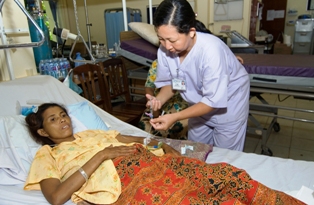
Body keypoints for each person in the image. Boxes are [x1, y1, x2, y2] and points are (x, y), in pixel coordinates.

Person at [23, 103, 305, 205]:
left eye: (63, 114)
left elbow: (137, 139)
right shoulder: (47, 155)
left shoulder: (92, 134)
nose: (63, 120)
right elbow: (57, 197)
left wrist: (160, 145)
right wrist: (102, 156)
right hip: (126, 182)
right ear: (44, 132)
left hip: (155, 163)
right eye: (53, 119)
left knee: (230, 176)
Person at [147, 0, 250, 151]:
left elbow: (211, 102)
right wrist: (158, 100)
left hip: (230, 103)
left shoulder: (211, 51)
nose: (167, 46)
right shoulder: (164, 51)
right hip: (198, 105)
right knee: (195, 150)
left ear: (191, 31)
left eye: (172, 40)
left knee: (225, 157)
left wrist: (175, 116)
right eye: (161, 39)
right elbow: (173, 83)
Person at [138, 59, 189, 140]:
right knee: (146, 125)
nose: (168, 47)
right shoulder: (158, 62)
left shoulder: (190, 62)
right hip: (163, 105)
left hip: (182, 107)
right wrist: (155, 103)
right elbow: (170, 86)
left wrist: (175, 116)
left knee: (178, 127)